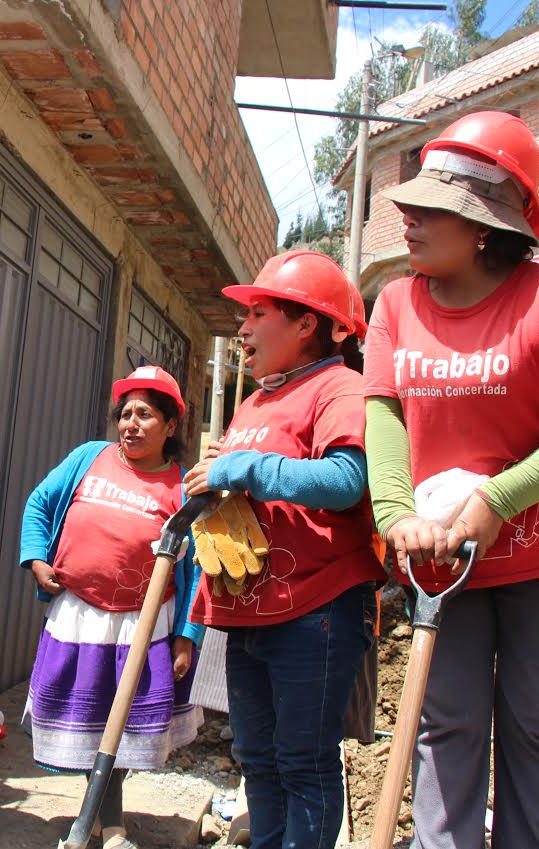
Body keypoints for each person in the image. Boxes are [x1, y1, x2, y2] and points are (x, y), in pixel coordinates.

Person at [362, 111, 539, 849]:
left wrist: (498, 499)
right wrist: (393, 511)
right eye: (407, 205)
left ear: (485, 223)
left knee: (536, 719)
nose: (408, 219)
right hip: (442, 556)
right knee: (445, 719)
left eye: (431, 208)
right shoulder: (394, 302)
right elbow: (383, 418)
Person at [183, 250, 383, 849]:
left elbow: (348, 480)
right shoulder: (254, 402)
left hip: (315, 608)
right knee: (258, 759)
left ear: (306, 324)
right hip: (249, 608)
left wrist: (249, 466)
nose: (242, 327)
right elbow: (243, 484)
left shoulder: (340, 388)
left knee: (302, 759)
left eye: (259, 311)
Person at [21, 365, 204, 849]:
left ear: (170, 426)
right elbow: (40, 504)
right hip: (80, 615)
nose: (131, 424)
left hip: (142, 625)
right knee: (88, 718)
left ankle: (106, 818)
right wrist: (38, 560)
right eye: (125, 413)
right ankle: (101, 818)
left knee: (121, 719)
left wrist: (187, 636)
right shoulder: (88, 458)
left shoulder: (182, 489)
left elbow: (198, 570)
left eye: (145, 414)